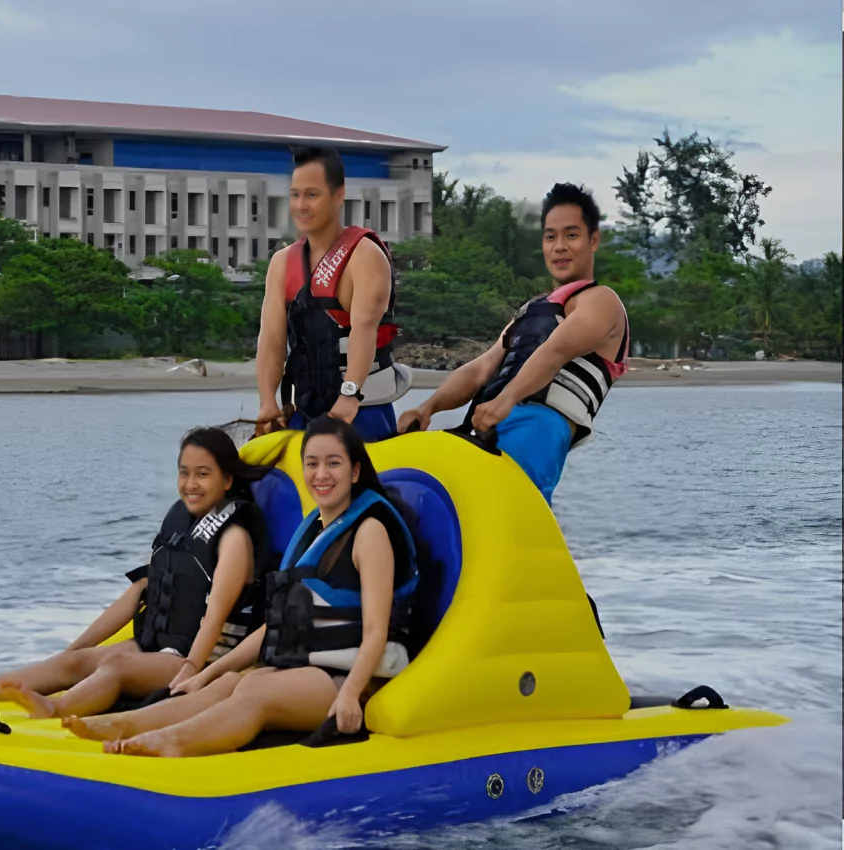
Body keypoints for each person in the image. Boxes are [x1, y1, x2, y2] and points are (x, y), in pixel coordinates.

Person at [82, 417, 419, 758]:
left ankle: (172, 742)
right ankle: (127, 724)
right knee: (228, 682)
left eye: (334, 463)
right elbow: (276, 625)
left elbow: (376, 630)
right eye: (312, 464)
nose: (321, 474)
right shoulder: (312, 532)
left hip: (353, 677)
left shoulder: (369, 532)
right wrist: (206, 674)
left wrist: (350, 695)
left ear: (355, 471)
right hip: (308, 666)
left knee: (254, 690)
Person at [0, 426, 272, 719]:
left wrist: (192, 671)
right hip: (157, 644)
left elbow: (216, 614)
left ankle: (57, 709)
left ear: (227, 480)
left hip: (199, 656)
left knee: (117, 666)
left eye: (203, 473)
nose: (190, 484)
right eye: (184, 472)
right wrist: (73, 652)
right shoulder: (181, 522)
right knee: (77, 662)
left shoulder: (234, 536)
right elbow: (140, 591)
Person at [398, 183, 630, 505]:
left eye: (571, 235)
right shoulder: (531, 309)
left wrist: (507, 399)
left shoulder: (601, 301)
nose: (559, 246)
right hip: (484, 423)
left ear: (593, 240)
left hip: (538, 427)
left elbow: (555, 350)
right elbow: (481, 369)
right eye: (550, 236)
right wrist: (428, 408)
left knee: (502, 505)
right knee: (424, 496)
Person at [254, 147, 413, 443]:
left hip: (361, 408)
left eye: (312, 195)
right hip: (304, 408)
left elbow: (364, 329)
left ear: (338, 195)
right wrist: (267, 403)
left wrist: (350, 393)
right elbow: (271, 340)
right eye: (295, 194)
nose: (301, 205)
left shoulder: (365, 255)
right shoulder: (282, 263)